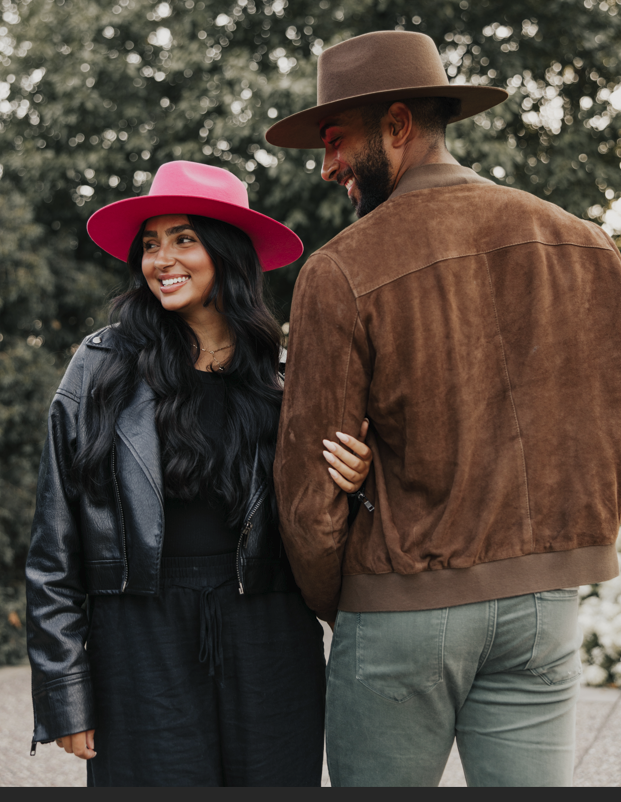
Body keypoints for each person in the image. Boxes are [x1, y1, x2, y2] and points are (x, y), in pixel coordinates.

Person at [267, 31, 621, 787]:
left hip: (399, 603)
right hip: (543, 606)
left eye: (332, 141)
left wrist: (349, 601)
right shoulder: (587, 247)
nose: (326, 165)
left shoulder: (340, 269)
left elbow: (306, 494)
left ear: (395, 125)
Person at [25, 161, 372, 787]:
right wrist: (65, 688)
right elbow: (54, 545)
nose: (162, 259)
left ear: (229, 251)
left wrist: (358, 478)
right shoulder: (98, 367)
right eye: (151, 243)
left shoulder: (286, 375)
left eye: (184, 238)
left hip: (270, 632)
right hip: (137, 636)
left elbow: (330, 519)